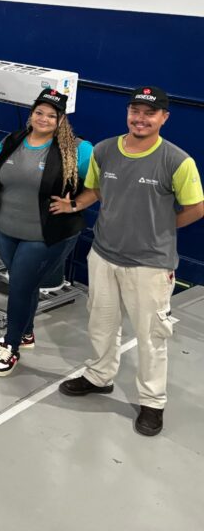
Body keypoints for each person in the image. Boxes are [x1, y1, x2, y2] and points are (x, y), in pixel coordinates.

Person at [57, 86, 203, 437]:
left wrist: (159, 230)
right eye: (135, 111)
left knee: (151, 336)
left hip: (150, 265)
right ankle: (99, 376)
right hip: (104, 255)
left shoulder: (177, 161)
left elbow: (196, 208)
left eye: (150, 113)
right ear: (127, 113)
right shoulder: (105, 150)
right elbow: (96, 189)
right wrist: (75, 205)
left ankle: (152, 401)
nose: (141, 119)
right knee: (101, 324)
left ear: (164, 118)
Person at [0, 88, 92, 377]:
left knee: (19, 285)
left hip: (46, 234)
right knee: (25, 284)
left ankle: (11, 345)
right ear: (31, 114)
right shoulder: (13, 140)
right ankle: (26, 332)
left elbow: (100, 186)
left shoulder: (77, 150)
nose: (44, 119)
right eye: (39, 112)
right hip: (7, 229)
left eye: (51, 115)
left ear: (61, 120)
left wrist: (75, 205)